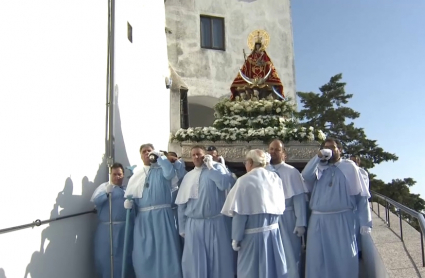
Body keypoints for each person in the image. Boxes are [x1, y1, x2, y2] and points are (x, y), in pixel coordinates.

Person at [302, 138, 372, 278]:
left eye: (332, 147)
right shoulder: (319, 167)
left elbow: (361, 196)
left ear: (340, 150)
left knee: (344, 257)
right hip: (319, 220)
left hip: (342, 219)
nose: (330, 150)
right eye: (326, 147)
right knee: (317, 259)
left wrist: (365, 222)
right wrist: (318, 157)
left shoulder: (349, 167)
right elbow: (305, 175)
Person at [222, 149, 288, 278]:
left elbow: (240, 213)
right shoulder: (275, 177)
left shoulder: (244, 180)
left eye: (246, 162)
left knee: (249, 271)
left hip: (252, 238)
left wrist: (236, 238)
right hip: (273, 234)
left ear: (250, 162)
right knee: (272, 269)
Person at [175, 146, 235, 278]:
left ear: (205, 156)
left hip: (215, 222)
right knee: (194, 259)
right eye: (194, 155)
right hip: (193, 225)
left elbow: (224, 184)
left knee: (218, 258)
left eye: (199, 154)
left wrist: (211, 167)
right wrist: (182, 227)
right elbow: (182, 204)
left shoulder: (217, 168)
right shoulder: (188, 176)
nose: (196, 157)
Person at [124, 143, 182, 278]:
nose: (147, 153)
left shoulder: (163, 169)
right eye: (144, 151)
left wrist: (160, 158)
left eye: (149, 151)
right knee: (144, 251)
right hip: (144, 218)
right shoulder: (137, 175)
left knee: (166, 249)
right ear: (140, 156)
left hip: (163, 216)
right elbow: (131, 198)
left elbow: (170, 174)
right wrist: (128, 203)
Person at [266, 139, 307, 278]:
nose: (273, 152)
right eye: (271, 149)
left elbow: (299, 199)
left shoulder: (292, 172)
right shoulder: (263, 171)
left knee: (290, 254)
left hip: (287, 218)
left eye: (277, 149)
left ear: (283, 152)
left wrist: (301, 222)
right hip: (268, 219)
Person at [91, 163, 135, 278]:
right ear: (110, 175)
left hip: (125, 229)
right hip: (107, 229)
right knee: (105, 257)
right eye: (114, 174)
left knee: (124, 257)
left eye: (119, 174)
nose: (117, 177)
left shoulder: (127, 190)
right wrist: (106, 193)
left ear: (123, 175)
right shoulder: (104, 187)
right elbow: (96, 202)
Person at [230, 32, 284, 100]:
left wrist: (262, 62)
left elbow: (269, 66)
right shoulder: (251, 57)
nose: (257, 47)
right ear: (254, 46)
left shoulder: (264, 56)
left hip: (263, 79)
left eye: (259, 45)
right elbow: (246, 67)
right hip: (251, 80)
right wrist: (245, 68)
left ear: (261, 46)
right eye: (256, 45)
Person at [350, 155, 370, 259]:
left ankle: (359, 251)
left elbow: (364, 189)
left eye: (355, 161)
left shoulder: (363, 172)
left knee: (357, 229)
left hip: (358, 204)